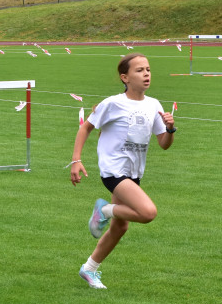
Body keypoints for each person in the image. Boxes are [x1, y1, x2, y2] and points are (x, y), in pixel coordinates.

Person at [68, 53, 176, 289]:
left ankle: (89, 269)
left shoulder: (154, 105)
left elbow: (163, 144)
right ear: (125, 77)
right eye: (139, 70)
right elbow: (85, 128)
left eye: (148, 69)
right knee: (148, 212)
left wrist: (170, 129)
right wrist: (76, 160)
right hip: (113, 170)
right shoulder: (113, 103)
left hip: (134, 172)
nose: (146, 73)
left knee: (121, 226)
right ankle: (104, 210)